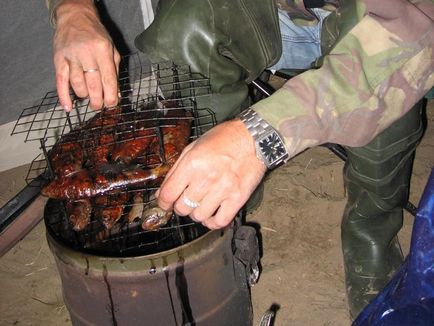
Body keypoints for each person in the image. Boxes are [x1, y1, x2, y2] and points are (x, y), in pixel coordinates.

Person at [46, 0, 434, 319]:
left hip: (383, 23)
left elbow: (419, 32)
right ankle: (232, 195)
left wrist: (260, 135)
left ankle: (371, 228)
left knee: (391, 80)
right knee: (182, 27)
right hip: (272, 13)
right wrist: (73, 10)